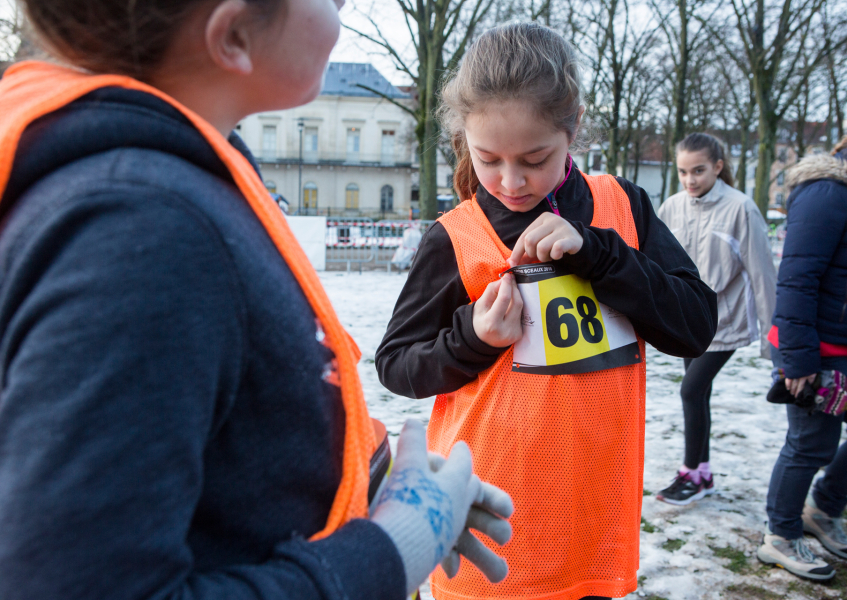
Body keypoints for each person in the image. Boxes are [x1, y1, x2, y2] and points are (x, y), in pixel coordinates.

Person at [0, 1, 515, 599]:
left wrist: (365, 485)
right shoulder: (145, 230)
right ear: (235, 33)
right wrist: (391, 548)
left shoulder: (162, 187)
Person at [376, 22, 717, 600]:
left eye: (535, 158)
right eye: (488, 159)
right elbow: (396, 364)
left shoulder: (622, 206)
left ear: (573, 128)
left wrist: (602, 255)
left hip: (593, 523)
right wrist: (474, 340)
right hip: (490, 528)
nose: (511, 182)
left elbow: (694, 326)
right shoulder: (456, 236)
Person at [757, 106, 847, 581]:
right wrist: (800, 359)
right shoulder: (828, 193)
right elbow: (797, 279)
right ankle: (779, 535)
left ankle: (823, 507)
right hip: (818, 346)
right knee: (810, 445)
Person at [656, 133, 776, 505]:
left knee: (690, 390)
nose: (690, 180)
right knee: (699, 395)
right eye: (683, 172)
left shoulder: (741, 208)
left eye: (699, 171)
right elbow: (655, 264)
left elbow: (762, 275)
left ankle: (690, 473)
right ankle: (703, 473)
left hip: (726, 323)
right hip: (688, 321)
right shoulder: (672, 206)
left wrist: (776, 344)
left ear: (718, 167)